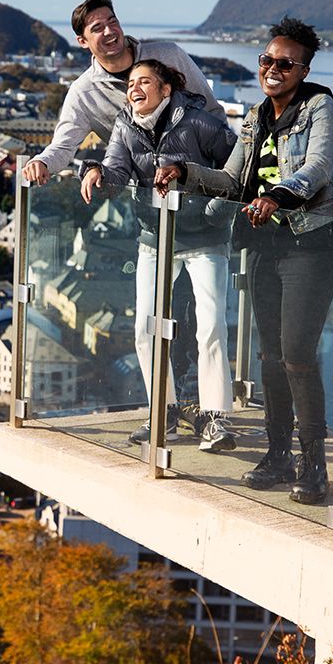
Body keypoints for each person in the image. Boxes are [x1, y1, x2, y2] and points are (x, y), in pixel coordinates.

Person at [170, 17, 333, 504]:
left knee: (298, 356)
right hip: (266, 247)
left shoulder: (319, 106)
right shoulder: (254, 118)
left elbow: (319, 167)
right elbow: (232, 181)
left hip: (312, 244)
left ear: (303, 69)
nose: (272, 68)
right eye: (266, 60)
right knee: (269, 357)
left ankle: (315, 467)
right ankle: (277, 454)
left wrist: (280, 196)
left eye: (285, 63)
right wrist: (185, 172)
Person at [80, 59, 238, 451]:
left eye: (144, 82)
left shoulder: (199, 122)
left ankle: (217, 419)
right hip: (156, 235)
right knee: (146, 328)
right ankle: (163, 412)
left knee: (211, 326)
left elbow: (237, 168)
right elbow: (118, 170)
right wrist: (96, 170)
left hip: (205, 236)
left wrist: (215, 209)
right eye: (131, 83)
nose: (134, 88)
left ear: (166, 90)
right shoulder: (125, 124)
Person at [19, 0, 215, 186]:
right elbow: (63, 146)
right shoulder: (84, 93)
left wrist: (221, 179)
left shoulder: (169, 55)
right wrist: (41, 161)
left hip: (205, 188)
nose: (109, 31)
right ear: (83, 42)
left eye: (112, 22)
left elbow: (212, 111)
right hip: (149, 202)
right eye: (97, 28)